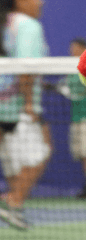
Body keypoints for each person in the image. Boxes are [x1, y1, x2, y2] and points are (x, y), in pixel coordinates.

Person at [0, 0, 52, 230]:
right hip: (18, 107)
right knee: (39, 156)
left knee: (14, 163)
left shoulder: (6, 23)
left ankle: (15, 209)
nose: (41, 2)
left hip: (4, 107)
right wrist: (29, 103)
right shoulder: (28, 25)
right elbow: (26, 67)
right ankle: (12, 200)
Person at [45, 37, 86, 199]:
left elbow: (82, 89)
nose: (72, 51)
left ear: (82, 49)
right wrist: (50, 86)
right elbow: (65, 87)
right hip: (76, 117)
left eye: (75, 48)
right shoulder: (72, 67)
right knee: (81, 153)